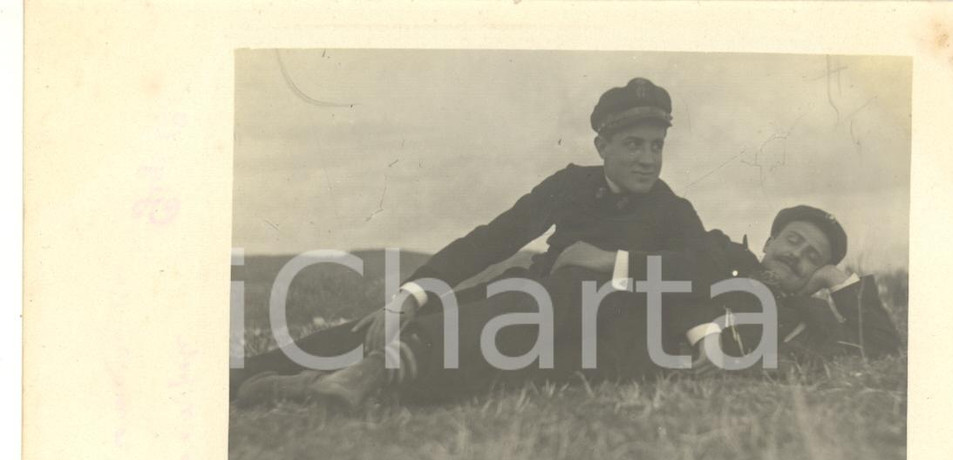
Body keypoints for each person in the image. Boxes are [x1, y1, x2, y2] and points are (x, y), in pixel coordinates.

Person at [233, 77, 728, 407]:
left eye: (656, 146)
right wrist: (409, 295)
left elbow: (699, 269)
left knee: (565, 291)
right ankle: (255, 378)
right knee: (403, 320)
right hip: (522, 310)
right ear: (602, 147)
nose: (647, 159)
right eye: (633, 145)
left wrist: (611, 262)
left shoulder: (673, 209)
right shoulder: (572, 184)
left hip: (594, 333)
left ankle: (369, 374)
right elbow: (497, 237)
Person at [549, 205, 902, 376]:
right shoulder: (723, 254)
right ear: (768, 242)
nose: (797, 255)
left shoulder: (813, 319)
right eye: (793, 241)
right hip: (605, 314)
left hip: (617, 363)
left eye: (813, 257)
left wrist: (836, 280)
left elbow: (883, 347)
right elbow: (677, 277)